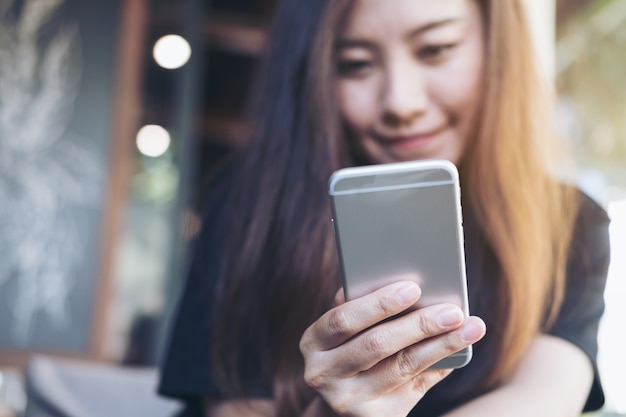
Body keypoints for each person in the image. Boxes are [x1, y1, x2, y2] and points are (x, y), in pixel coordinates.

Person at [158, 0, 611, 416]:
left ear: (497, 47)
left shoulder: (569, 224)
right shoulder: (247, 209)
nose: (401, 103)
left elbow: (544, 399)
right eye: (355, 64)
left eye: (436, 49)